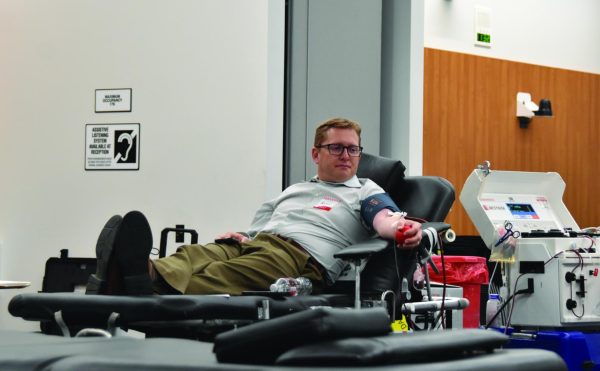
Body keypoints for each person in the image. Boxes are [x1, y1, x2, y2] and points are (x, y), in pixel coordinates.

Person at [86, 117, 422, 296]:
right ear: (316, 154)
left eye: (353, 149)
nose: (347, 156)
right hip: (260, 244)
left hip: (302, 259)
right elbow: (259, 227)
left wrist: (402, 230)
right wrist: (243, 235)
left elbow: (384, 219)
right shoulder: (293, 190)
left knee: (225, 275)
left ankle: (126, 279)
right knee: (199, 254)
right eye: (337, 148)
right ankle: (142, 273)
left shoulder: (364, 189)